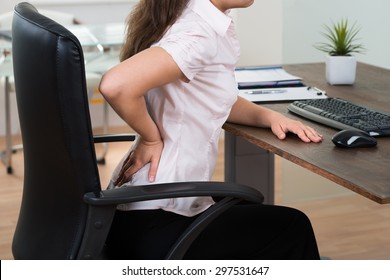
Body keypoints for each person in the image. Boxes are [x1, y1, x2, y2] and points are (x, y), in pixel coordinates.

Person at [99, 0, 323, 260]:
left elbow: (210, 95)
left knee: (249, 208)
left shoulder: (187, 17)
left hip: (129, 214)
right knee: (293, 226)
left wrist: (268, 117)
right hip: (159, 221)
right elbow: (116, 85)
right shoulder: (199, 31)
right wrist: (150, 139)